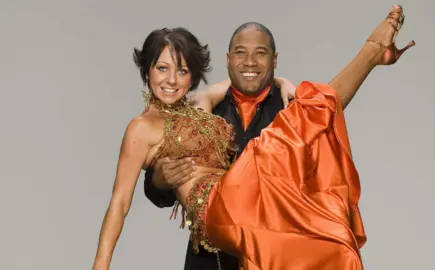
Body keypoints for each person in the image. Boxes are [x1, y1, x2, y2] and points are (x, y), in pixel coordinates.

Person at [93, 5, 414, 270]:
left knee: (330, 246)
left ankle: (374, 56)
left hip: (246, 198)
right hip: (219, 210)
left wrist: (281, 83)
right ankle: (371, 51)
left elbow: (220, 89)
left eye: (182, 70)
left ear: (193, 74)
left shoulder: (198, 107)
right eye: (162, 69)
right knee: (300, 121)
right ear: (147, 71)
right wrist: (100, 266)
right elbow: (120, 203)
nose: (171, 80)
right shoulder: (141, 126)